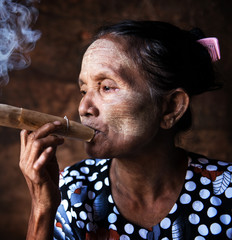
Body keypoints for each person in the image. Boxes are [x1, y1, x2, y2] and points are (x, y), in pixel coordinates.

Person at [19, 20, 232, 240]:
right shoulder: (72, 189)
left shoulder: (227, 192)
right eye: (84, 91)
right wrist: (42, 209)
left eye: (107, 87)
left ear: (171, 107)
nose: (84, 108)